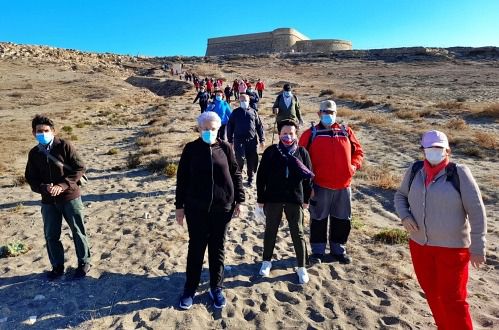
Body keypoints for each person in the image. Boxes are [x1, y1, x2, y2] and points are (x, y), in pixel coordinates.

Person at [394, 130, 487, 330]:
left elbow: (477, 211)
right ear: (423, 150)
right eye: (430, 148)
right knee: (432, 294)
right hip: (420, 246)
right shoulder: (414, 171)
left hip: (453, 250)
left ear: (448, 150)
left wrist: (478, 246)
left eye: (439, 148)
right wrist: (405, 216)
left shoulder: (459, 173)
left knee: (453, 299)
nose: (434, 152)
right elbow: (400, 196)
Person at [175, 111, 245, 310]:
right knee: (196, 249)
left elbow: (236, 173)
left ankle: (216, 288)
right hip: (196, 209)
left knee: (218, 249)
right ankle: (190, 289)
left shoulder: (226, 147)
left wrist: (240, 199)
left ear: (218, 129)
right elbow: (182, 180)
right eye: (205, 129)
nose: (209, 132)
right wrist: (179, 207)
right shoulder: (190, 149)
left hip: (222, 209)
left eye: (213, 129)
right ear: (199, 129)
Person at [25, 115, 91, 280]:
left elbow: (79, 168)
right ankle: (57, 267)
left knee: (78, 231)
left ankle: (84, 263)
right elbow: (31, 178)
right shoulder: (34, 153)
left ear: (53, 131)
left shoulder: (64, 146)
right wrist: (43, 188)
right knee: (51, 235)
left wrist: (62, 185)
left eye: (46, 130)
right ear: (34, 133)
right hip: (48, 201)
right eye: (39, 131)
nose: (43, 133)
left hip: (70, 198)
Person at [298, 100, 364, 264]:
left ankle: (338, 250)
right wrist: (308, 186)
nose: (328, 115)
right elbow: (299, 160)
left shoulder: (346, 132)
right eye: (325, 112)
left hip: (343, 186)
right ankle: (318, 252)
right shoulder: (310, 134)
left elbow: (359, 152)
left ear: (336, 114)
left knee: (342, 219)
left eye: (331, 112)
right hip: (319, 186)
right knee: (319, 219)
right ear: (319, 114)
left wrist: (353, 167)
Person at [256, 119, 314, 284]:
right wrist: (261, 200)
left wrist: (306, 200)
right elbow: (261, 177)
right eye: (284, 133)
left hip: (295, 199)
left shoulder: (302, 152)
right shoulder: (271, 152)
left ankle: (301, 266)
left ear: (296, 134)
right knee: (270, 230)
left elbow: (308, 179)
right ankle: (266, 262)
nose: (288, 136)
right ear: (279, 134)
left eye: (291, 133)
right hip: (273, 198)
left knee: (298, 232)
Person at [227, 94, 265, 186]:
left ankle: (250, 178)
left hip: (251, 140)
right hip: (239, 140)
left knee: (252, 159)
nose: (244, 102)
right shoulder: (235, 113)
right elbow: (230, 126)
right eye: (242, 100)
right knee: (239, 158)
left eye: (245, 100)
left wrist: (262, 139)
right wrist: (230, 140)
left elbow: (259, 126)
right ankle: (238, 175)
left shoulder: (253, 112)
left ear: (249, 101)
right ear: (239, 101)